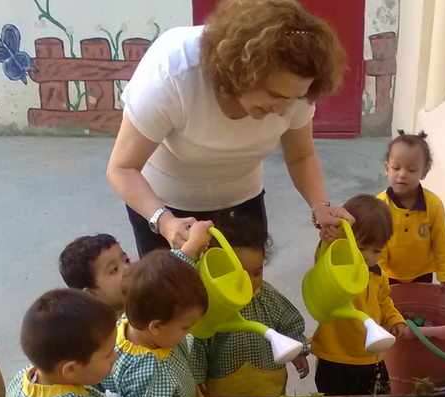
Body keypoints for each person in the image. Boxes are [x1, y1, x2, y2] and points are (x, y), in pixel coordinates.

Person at [106, 0, 354, 257]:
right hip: (162, 204)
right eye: (274, 95)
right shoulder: (173, 72)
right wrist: (165, 222)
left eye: (294, 99)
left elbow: (301, 156)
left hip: (242, 200)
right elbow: (122, 168)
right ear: (241, 71)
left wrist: (319, 206)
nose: (283, 110)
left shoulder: (295, 91)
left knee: (245, 290)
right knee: (172, 294)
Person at [108, 235, 220, 397]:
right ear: (157, 326)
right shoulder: (147, 374)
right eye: (185, 327)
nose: (191, 331)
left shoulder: (136, 315)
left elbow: (170, 272)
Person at [197, 211, 309, 397]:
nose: (249, 282)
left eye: (256, 272)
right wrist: (197, 381)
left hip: (269, 384)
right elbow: (198, 347)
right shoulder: (212, 305)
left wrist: (298, 351)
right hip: (223, 391)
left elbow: (289, 323)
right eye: (239, 274)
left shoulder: (268, 296)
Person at [311, 194, 410, 396]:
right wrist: (331, 240)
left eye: (376, 250)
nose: (367, 256)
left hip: (371, 356)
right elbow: (323, 262)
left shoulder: (378, 274)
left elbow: (383, 301)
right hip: (335, 356)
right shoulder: (337, 265)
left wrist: (394, 319)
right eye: (361, 247)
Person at [378, 131, 445, 286]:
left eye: (411, 170)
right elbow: (377, 246)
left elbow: (442, 243)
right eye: (396, 168)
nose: (402, 175)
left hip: (423, 274)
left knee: (418, 309)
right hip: (388, 276)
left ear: (424, 172)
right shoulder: (380, 205)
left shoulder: (433, 205)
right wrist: (380, 278)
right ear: (387, 168)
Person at [58, 233, 132, 316]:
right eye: (114, 269)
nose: (128, 268)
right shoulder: (102, 328)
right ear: (91, 294)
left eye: (127, 260)